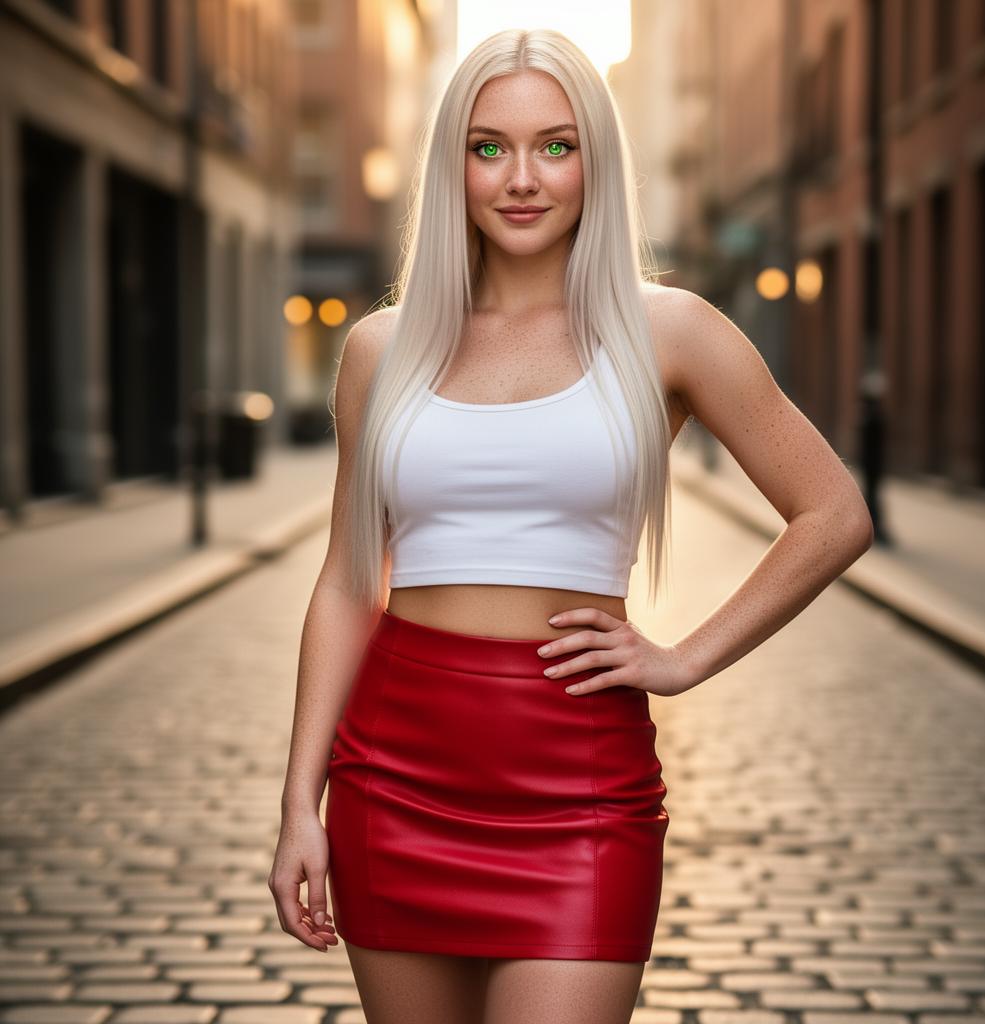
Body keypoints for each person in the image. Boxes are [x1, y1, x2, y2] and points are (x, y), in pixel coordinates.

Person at [268, 27, 874, 1024]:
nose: (521, 177)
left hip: (580, 786)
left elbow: (832, 511)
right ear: (451, 162)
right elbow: (346, 581)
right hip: (393, 775)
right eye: (486, 145)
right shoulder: (381, 348)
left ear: (596, 157)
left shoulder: (668, 330)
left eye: (555, 144)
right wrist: (301, 804)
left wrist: (684, 658)